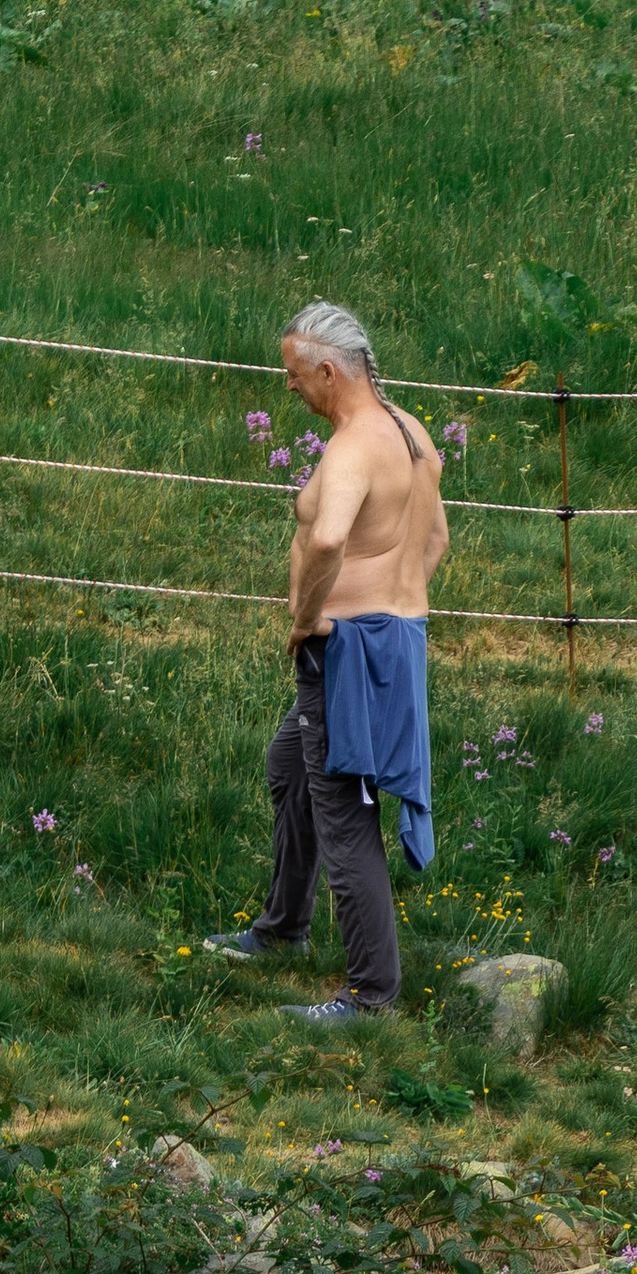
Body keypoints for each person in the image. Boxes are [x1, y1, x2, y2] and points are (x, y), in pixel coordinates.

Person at [208, 299, 446, 1025]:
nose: (289, 388)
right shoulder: (411, 435)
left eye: (293, 374)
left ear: (327, 369)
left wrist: (311, 617)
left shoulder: (351, 449)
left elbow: (326, 539)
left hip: (346, 650)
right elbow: (435, 541)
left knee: (346, 817)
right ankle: (283, 926)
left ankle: (371, 996)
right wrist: (396, 602)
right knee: (290, 767)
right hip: (393, 639)